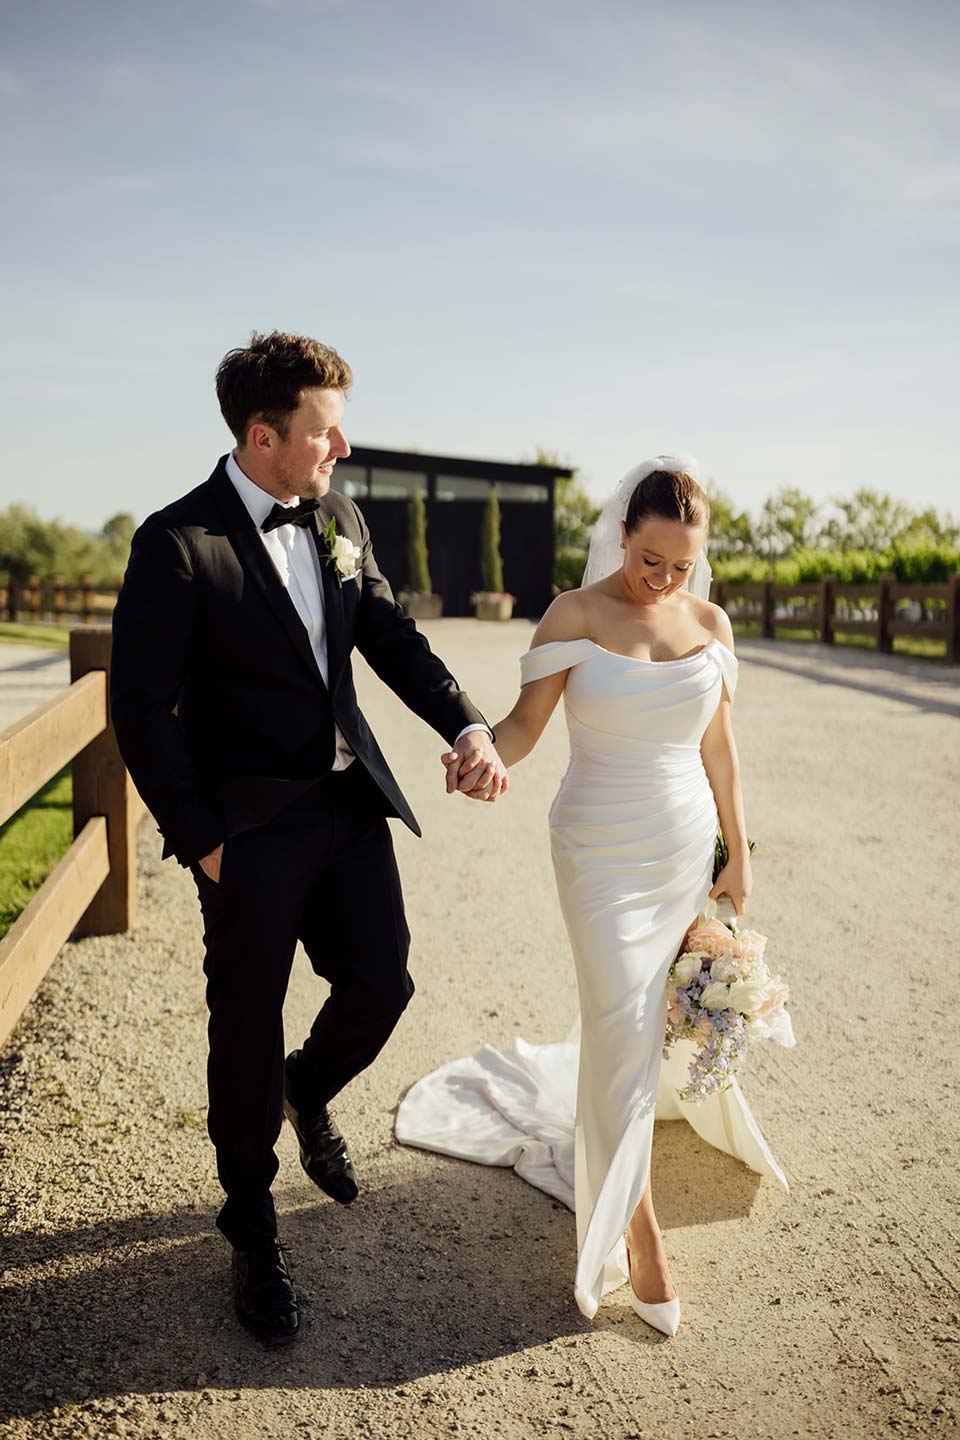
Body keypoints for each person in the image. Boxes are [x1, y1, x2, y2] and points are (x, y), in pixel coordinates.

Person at [110, 331, 507, 1346]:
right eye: (325, 433)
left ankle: (308, 1089)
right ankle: (251, 1233)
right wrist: (202, 841)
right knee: (242, 1027)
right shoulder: (174, 545)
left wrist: (466, 723)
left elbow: (386, 629)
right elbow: (139, 707)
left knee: (384, 985)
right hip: (246, 833)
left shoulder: (336, 514)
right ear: (263, 435)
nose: (341, 449)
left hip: (344, 805)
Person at [401, 456, 788, 1338]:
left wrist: (737, 849)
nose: (664, 579)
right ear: (622, 533)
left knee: (641, 1032)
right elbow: (526, 728)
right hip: (599, 851)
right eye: (651, 559)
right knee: (618, 1021)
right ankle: (641, 1239)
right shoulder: (574, 615)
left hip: (682, 844)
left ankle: (629, 1182)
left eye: (681, 565)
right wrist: (483, 754)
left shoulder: (710, 622)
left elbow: (719, 748)